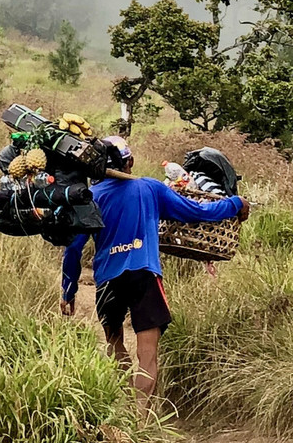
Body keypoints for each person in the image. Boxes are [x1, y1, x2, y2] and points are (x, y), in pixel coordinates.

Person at [60, 136, 249, 413]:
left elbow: (73, 249)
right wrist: (235, 204)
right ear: (130, 162)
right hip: (144, 275)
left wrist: (69, 290)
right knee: (147, 354)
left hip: (107, 280)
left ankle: (122, 407)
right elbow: (196, 212)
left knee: (114, 343)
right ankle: (141, 416)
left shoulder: (91, 198)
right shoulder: (149, 188)